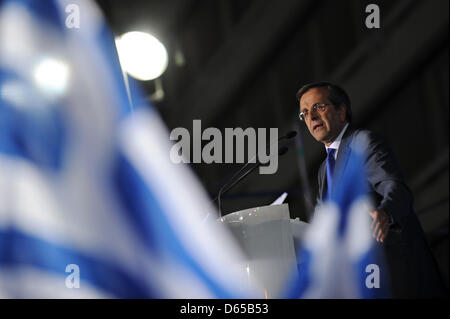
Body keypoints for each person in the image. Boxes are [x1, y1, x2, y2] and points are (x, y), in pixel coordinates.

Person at [296, 81, 447, 298]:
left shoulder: (362, 144)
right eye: (305, 112)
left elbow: (396, 188)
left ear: (341, 111)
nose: (311, 116)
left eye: (319, 107)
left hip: (395, 276)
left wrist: (384, 213)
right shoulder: (323, 171)